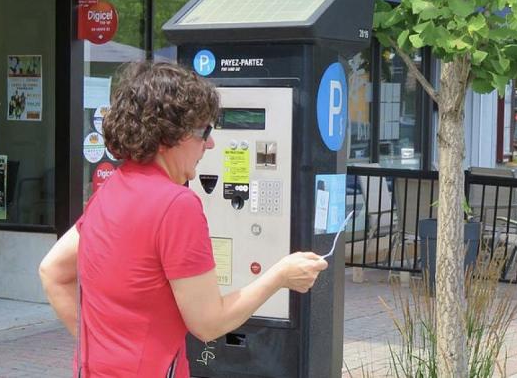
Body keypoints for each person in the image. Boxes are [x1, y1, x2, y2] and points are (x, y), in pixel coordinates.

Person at [39, 62, 328, 377]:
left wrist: (96, 348)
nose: (211, 143)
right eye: (204, 131)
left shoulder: (111, 190)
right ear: (169, 136)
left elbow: (52, 271)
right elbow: (209, 323)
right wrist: (280, 276)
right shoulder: (177, 205)